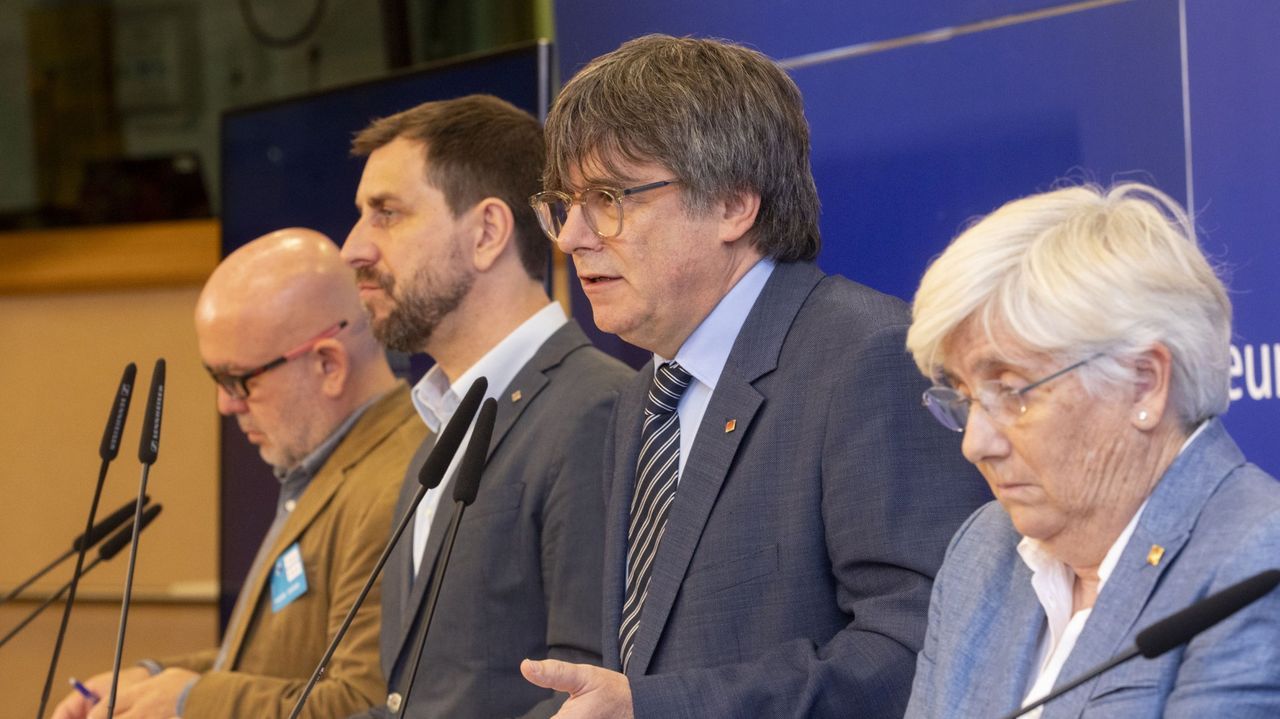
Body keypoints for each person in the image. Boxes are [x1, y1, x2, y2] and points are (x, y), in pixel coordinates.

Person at [519, 34, 989, 718]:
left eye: (611, 198)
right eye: (566, 202)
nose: (572, 236)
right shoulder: (643, 398)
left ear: (735, 205)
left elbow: (919, 648)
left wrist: (654, 709)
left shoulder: (867, 357)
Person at [902, 183, 1280, 718]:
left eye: (1012, 391)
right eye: (964, 398)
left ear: (1143, 383)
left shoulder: (1257, 561)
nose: (974, 443)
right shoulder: (982, 554)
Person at [51, 228, 426, 719]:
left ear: (327, 364)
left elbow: (363, 705)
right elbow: (279, 663)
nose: (225, 404)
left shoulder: (397, 486)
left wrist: (188, 703)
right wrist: (154, 680)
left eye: (238, 380)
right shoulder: (327, 466)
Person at [340, 94, 632, 719]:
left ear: (487, 233)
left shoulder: (596, 410)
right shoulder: (435, 434)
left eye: (386, 214)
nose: (354, 249)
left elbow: (584, 692)